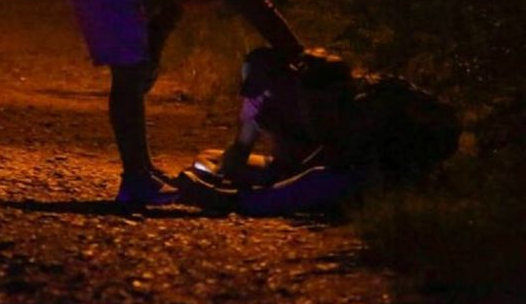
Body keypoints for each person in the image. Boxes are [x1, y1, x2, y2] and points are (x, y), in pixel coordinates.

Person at [64, 0, 304, 208]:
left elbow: (168, 10)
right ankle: (137, 181)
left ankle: (143, 172)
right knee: (128, 80)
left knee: (134, 76)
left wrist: (153, 55)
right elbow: (261, 12)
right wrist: (302, 59)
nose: (227, 8)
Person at [177, 48, 461, 215]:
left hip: (402, 173)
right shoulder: (334, 103)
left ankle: (236, 202)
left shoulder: (368, 105)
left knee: (321, 181)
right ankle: (249, 196)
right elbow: (326, 151)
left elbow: (335, 157)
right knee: (315, 177)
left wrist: (285, 162)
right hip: (373, 163)